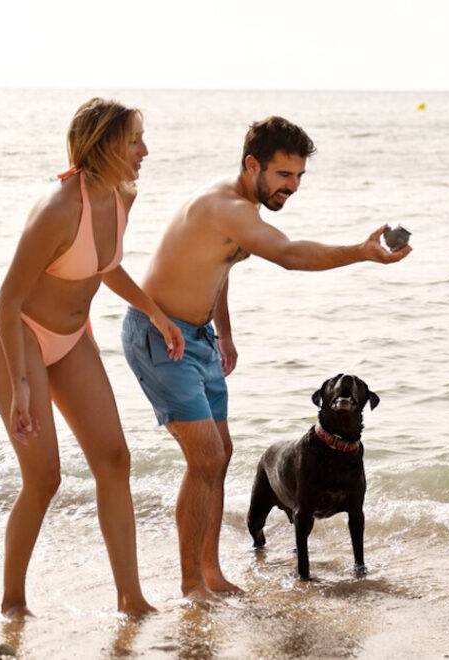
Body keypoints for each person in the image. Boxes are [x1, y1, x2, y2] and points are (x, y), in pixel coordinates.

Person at [121, 115, 411, 603]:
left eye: (299, 176)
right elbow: (291, 255)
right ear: (253, 164)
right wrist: (362, 253)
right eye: (283, 175)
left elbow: (220, 267)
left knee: (221, 457)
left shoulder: (238, 211)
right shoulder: (227, 207)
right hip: (160, 334)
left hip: (200, 337)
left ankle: (211, 574)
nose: (293, 187)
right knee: (206, 458)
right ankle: (192, 583)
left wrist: (224, 334)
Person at [0, 98, 185, 618]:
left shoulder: (122, 196)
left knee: (115, 460)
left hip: (71, 338)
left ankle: (131, 599)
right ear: (108, 144)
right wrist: (21, 387)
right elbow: (7, 303)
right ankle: (13, 603)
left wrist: (156, 314)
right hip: (17, 334)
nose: (145, 150)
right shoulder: (57, 209)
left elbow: (103, 266)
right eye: (135, 139)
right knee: (45, 477)